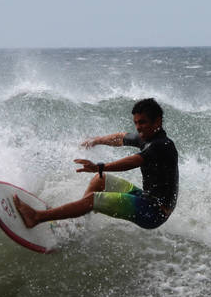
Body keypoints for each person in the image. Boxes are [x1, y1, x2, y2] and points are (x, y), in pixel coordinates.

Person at [13, 98, 179, 230]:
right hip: (146, 198)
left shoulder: (163, 145)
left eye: (142, 122)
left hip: (155, 212)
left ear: (157, 121)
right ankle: (79, 222)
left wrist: (99, 166)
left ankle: (37, 217)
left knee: (93, 199)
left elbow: (133, 161)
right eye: (136, 123)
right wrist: (96, 141)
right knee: (100, 180)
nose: (138, 127)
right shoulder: (147, 138)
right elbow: (120, 137)